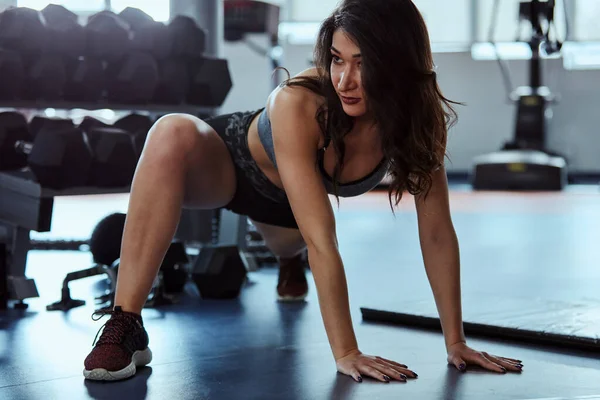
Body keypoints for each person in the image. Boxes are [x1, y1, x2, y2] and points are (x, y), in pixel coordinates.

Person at [83, 0, 524, 383]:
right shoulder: (297, 103)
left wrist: (457, 340)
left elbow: (437, 232)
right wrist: (347, 352)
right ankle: (127, 325)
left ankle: (286, 262)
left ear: (396, 64)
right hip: (233, 169)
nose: (345, 80)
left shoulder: (417, 119)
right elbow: (324, 238)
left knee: (290, 242)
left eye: (363, 62)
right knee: (170, 132)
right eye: (337, 58)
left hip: (288, 212)